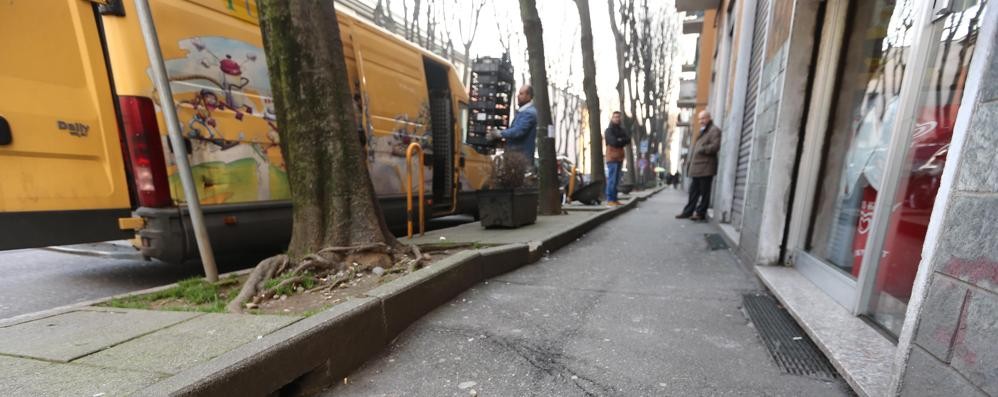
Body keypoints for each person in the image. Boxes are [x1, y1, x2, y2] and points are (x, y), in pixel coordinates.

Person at [677, 111, 721, 221]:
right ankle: (688, 212)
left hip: (706, 168)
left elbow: (715, 146)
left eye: (703, 118)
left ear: (709, 118)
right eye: (700, 119)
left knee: (705, 192)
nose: (701, 121)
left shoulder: (714, 130)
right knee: (693, 191)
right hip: (698, 168)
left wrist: (702, 149)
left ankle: (700, 213)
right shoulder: (703, 131)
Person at [487, 85, 537, 164]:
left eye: (521, 94)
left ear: (529, 96)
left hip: (521, 160)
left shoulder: (529, 113)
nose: (518, 96)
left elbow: (518, 131)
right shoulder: (524, 112)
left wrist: (500, 133)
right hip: (517, 158)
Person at [604, 111, 630, 206]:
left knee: (617, 180)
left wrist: (620, 140)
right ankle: (610, 199)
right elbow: (613, 142)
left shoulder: (622, 130)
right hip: (612, 158)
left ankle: (614, 199)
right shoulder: (609, 130)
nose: (617, 118)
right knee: (612, 180)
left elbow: (628, 139)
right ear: (612, 118)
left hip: (620, 158)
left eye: (618, 117)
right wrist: (620, 140)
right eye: (615, 117)